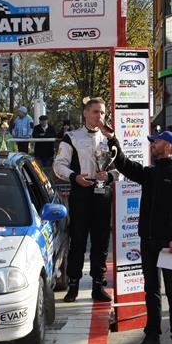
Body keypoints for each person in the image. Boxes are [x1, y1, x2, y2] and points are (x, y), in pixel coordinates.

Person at [100, 128, 172, 344]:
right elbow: (125, 165)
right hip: (147, 241)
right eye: (152, 142)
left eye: (156, 142)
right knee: (151, 290)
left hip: (169, 244)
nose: (152, 144)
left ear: (169, 147)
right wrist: (113, 140)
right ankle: (152, 336)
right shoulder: (150, 173)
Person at [53, 97, 115, 303]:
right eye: (96, 112)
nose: (100, 116)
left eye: (103, 112)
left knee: (101, 241)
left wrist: (110, 176)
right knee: (78, 240)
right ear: (85, 113)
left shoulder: (110, 137)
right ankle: (73, 285)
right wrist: (74, 177)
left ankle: (98, 285)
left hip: (103, 192)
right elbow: (58, 165)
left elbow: (122, 167)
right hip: (81, 192)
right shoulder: (71, 137)